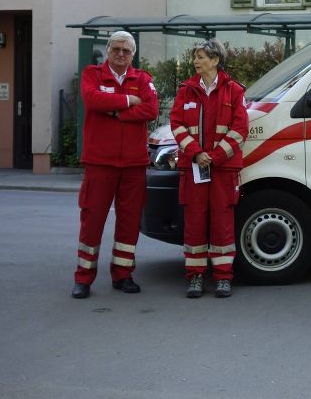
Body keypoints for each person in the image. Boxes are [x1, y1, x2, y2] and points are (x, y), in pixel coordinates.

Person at [72, 31, 159, 299]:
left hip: (133, 164)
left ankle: (122, 275)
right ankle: (83, 278)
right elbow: (92, 99)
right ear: (108, 50)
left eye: (127, 50)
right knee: (92, 219)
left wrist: (114, 112)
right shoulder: (92, 74)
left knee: (129, 222)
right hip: (100, 162)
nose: (121, 54)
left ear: (133, 54)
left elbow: (151, 110)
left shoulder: (142, 79)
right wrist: (126, 101)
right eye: (116, 49)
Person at [170, 39, 248, 298]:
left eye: (202, 56)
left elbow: (240, 130)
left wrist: (213, 157)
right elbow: (177, 125)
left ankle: (223, 277)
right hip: (194, 167)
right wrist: (196, 154)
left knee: (222, 222)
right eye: (195, 56)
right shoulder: (186, 90)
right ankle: (195, 277)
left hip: (222, 169)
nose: (196, 61)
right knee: (194, 221)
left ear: (215, 60)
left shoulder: (234, 91)